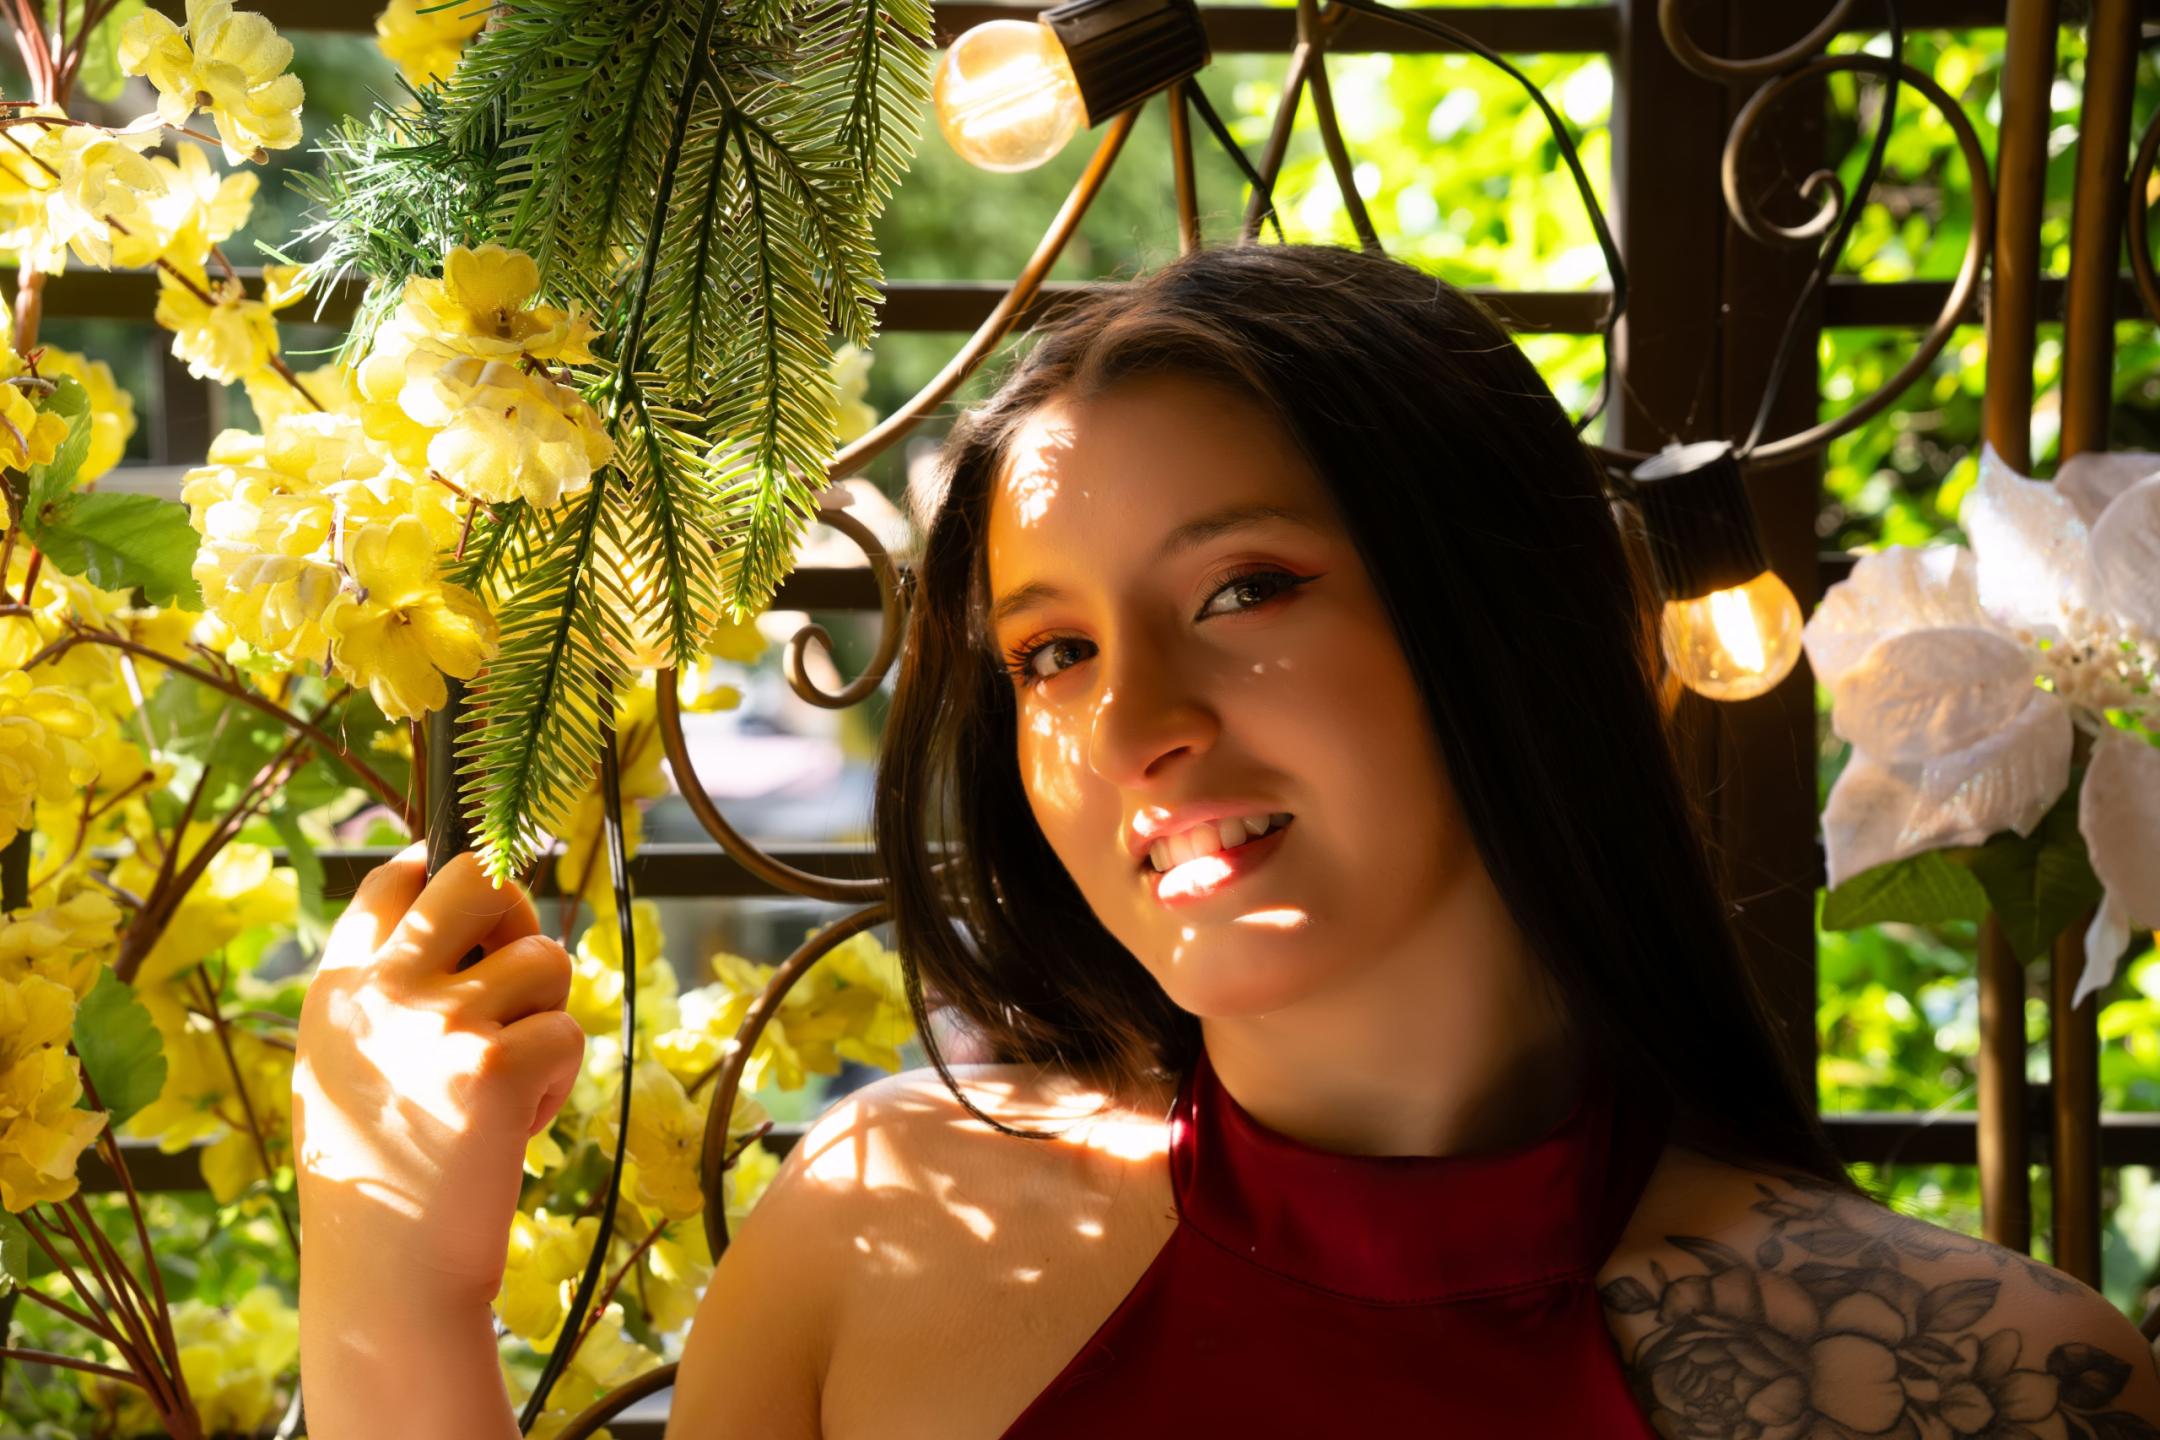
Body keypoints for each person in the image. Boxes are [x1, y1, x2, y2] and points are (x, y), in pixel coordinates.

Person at [293, 244, 2160, 1439]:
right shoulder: (875, 1229)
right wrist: (392, 1277)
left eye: (1246, 589)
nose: (1131, 724)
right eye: (1052, 653)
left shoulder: (1989, 1379)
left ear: (1530, 621)